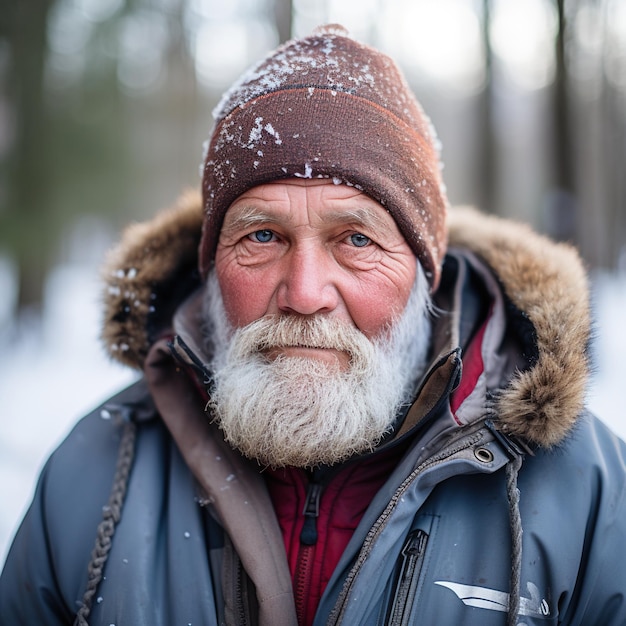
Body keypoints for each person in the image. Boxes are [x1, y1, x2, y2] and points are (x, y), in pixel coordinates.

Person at [1, 24, 625, 626]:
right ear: (213, 265)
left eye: (355, 239)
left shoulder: (591, 498)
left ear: (423, 274)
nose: (304, 294)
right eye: (263, 236)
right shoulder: (93, 478)